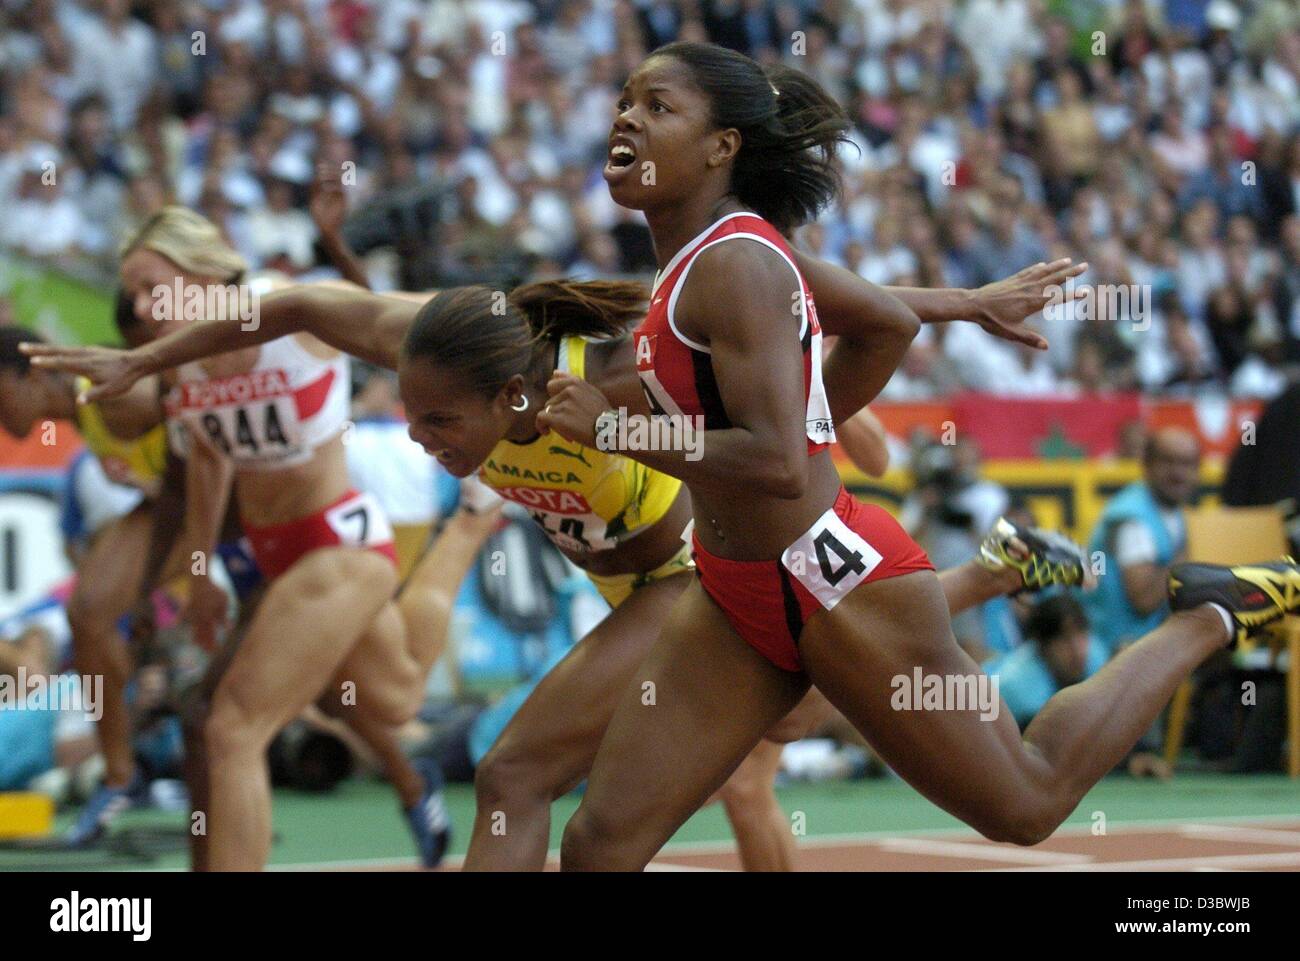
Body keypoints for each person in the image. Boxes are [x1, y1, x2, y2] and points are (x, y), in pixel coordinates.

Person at [26, 255, 1095, 872]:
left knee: (519, 772)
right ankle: (991, 573)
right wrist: (145, 358)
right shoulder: (438, 335)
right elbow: (294, 303)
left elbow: (795, 303)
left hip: (692, 581)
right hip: (657, 590)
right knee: (793, 716)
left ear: (516, 402)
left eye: (440, 423)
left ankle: (980, 577)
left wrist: (956, 309)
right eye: (409, 415)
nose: (418, 441)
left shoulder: (610, 373)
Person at [517, 41, 1300, 869]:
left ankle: (1208, 614)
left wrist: (617, 431)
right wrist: (963, 305)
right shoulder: (714, 256)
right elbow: (885, 319)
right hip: (732, 586)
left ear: (723, 147)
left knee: (1027, 801)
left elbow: (780, 464)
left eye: (658, 106)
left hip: (833, 580)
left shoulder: (737, 262)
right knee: (601, 843)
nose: (626, 116)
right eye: (625, 102)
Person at [32, 208, 501, 870]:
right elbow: (209, 457)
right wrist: (197, 574)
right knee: (390, 698)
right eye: (131, 291)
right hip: (268, 554)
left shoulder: (288, 311)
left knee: (231, 726)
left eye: (148, 283)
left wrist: (506, 317)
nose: (137, 303)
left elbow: (403, 318)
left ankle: (475, 519)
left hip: (336, 543)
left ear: (202, 267)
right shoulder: (184, 362)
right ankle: (473, 527)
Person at [1085, 427, 1201, 655]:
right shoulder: (1132, 518)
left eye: (1187, 464)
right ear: (1146, 464)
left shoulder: (1172, 511)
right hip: (1115, 655)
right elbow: (1144, 600)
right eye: (1168, 462)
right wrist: (1192, 552)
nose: (1178, 473)